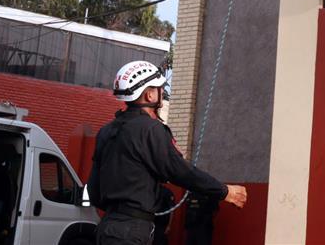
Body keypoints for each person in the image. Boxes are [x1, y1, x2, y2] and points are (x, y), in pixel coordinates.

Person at [89, 61, 247, 245]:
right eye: (159, 88)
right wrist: (224, 191)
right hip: (131, 230)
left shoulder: (106, 132)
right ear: (149, 95)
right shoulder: (151, 129)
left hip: (106, 226)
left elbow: (93, 189)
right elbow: (181, 171)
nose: (162, 92)